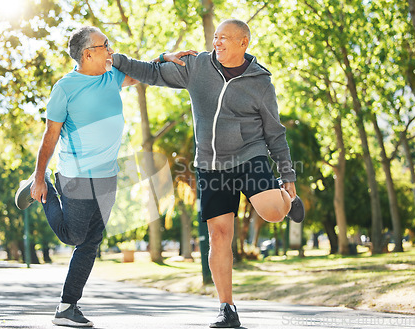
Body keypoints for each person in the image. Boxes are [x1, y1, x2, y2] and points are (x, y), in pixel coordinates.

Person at [112, 19, 305, 328]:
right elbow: (150, 73)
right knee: (219, 235)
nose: (217, 42)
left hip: (249, 154)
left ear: (244, 43)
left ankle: (288, 200)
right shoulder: (197, 66)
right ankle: (226, 308)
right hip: (211, 164)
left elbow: (275, 132)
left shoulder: (260, 82)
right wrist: (119, 59)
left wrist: (287, 174)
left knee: (271, 212)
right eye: (216, 37)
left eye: (225, 38)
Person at [14, 26, 193, 327]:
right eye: (105, 45)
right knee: (74, 236)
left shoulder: (113, 77)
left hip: (107, 174)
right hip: (76, 174)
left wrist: (165, 57)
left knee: (91, 241)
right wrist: (40, 174)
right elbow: (50, 136)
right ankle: (38, 189)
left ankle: (67, 306)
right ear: (87, 54)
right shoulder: (65, 88)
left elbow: (143, 72)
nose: (111, 50)